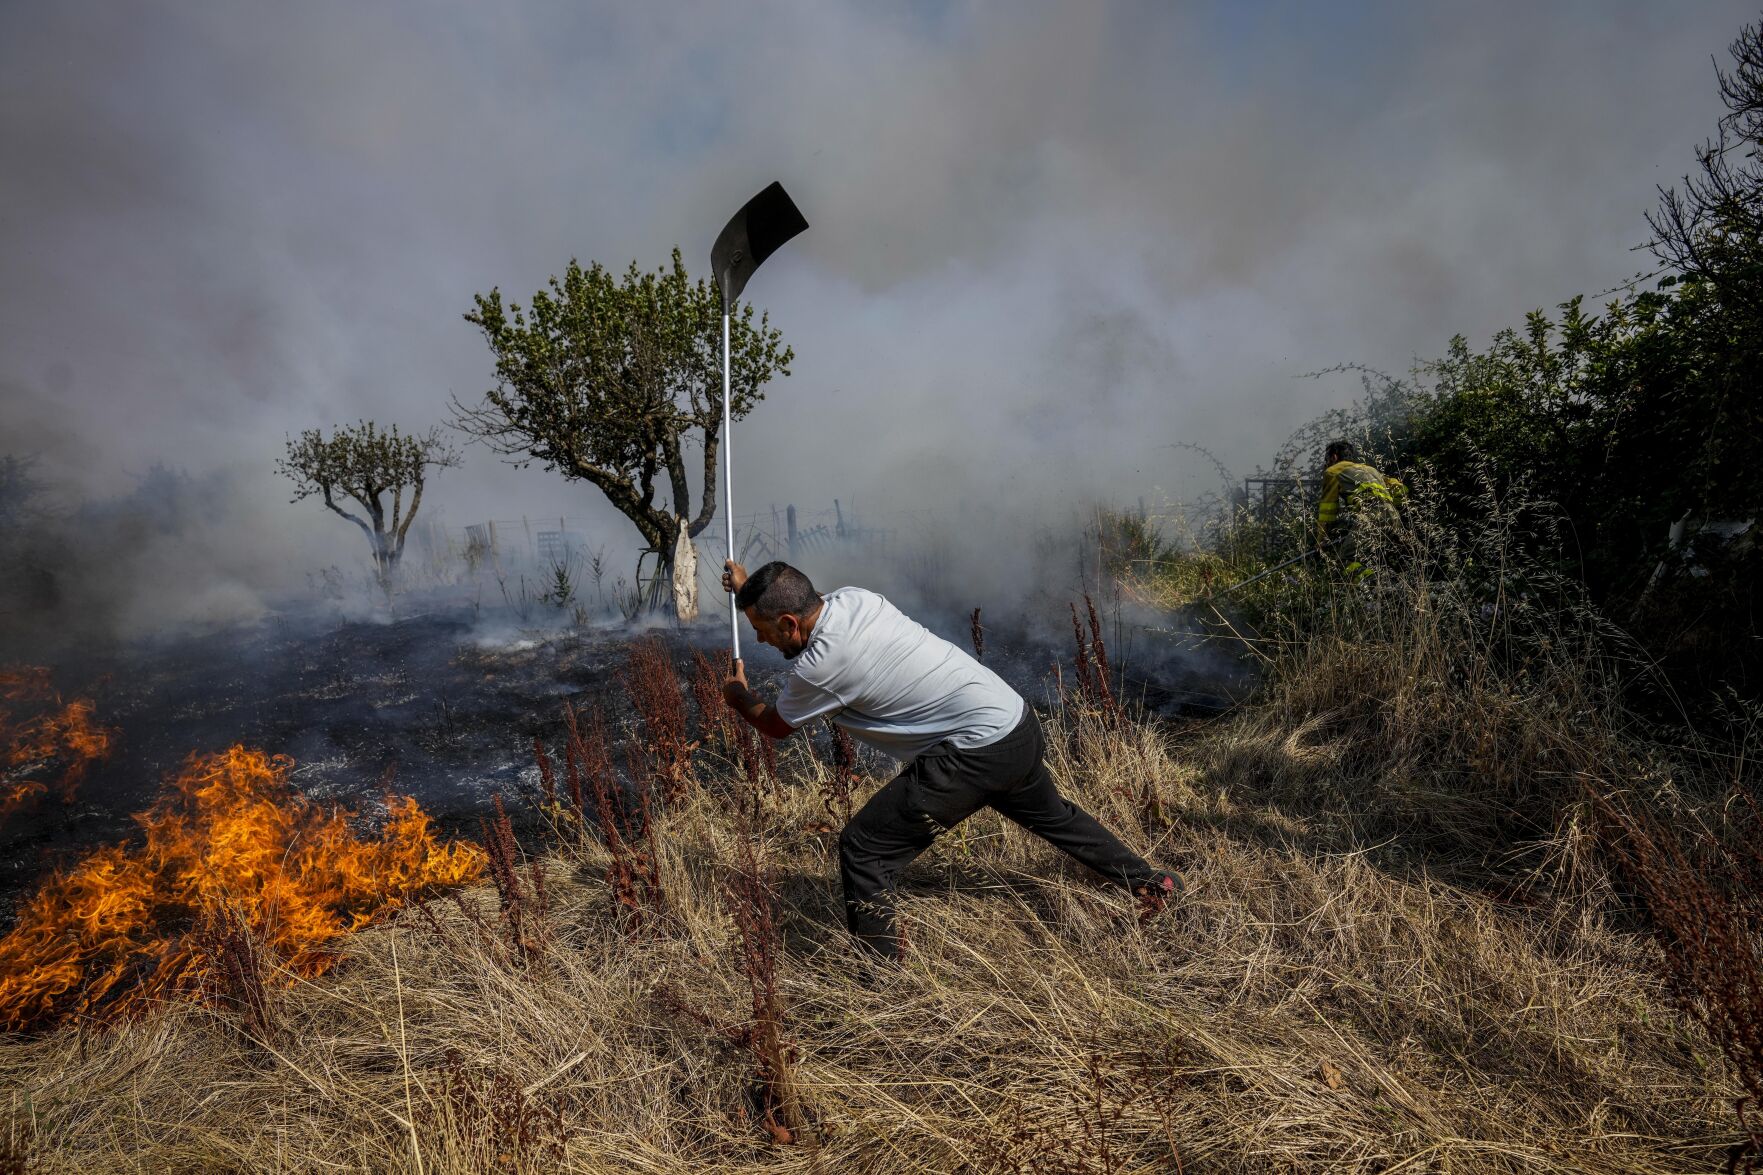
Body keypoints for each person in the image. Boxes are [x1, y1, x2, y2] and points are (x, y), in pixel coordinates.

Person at [719, 559, 1180, 961]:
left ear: (789, 624)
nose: (761, 642)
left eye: (762, 632)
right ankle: (1152, 881)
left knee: (865, 849)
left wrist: (738, 696)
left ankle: (877, 985)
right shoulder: (855, 600)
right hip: (1013, 722)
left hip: (974, 752)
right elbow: (792, 595)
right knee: (1054, 817)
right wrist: (746, 590)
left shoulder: (819, 666)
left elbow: (777, 726)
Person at [1316, 440, 1406, 580]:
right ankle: (1395, 588)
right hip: (1395, 517)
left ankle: (1376, 587)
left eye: (1327, 459)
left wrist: (1321, 539)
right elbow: (1398, 487)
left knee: (1346, 561)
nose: (1326, 463)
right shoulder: (1370, 469)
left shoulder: (1333, 471)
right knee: (1384, 560)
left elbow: (1328, 510)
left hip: (1372, 517)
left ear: (1334, 457)